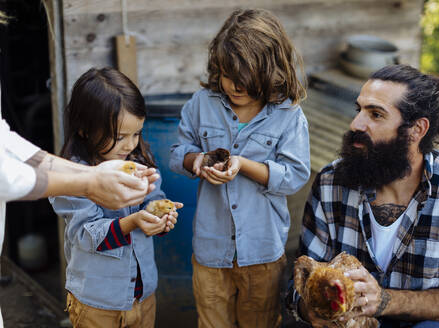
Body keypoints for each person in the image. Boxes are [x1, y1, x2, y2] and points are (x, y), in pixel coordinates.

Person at [288, 64, 439, 328]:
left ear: (417, 130)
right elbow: (301, 283)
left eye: (375, 114)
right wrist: (313, 308)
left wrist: (384, 301)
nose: (356, 124)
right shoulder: (331, 182)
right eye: (358, 110)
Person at [169, 8, 311, 328]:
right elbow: (178, 153)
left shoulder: (288, 115)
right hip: (210, 251)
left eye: (247, 80)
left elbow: (294, 177)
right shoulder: (202, 103)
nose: (235, 87)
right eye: (229, 76)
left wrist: (244, 165)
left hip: (261, 253)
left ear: (271, 72)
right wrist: (199, 161)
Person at [49, 67, 182, 328]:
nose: (130, 145)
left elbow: (153, 198)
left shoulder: (138, 160)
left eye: (136, 134)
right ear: (85, 130)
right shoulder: (72, 177)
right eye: (120, 137)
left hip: (143, 297)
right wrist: (133, 222)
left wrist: (161, 215)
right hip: (98, 304)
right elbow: (86, 234)